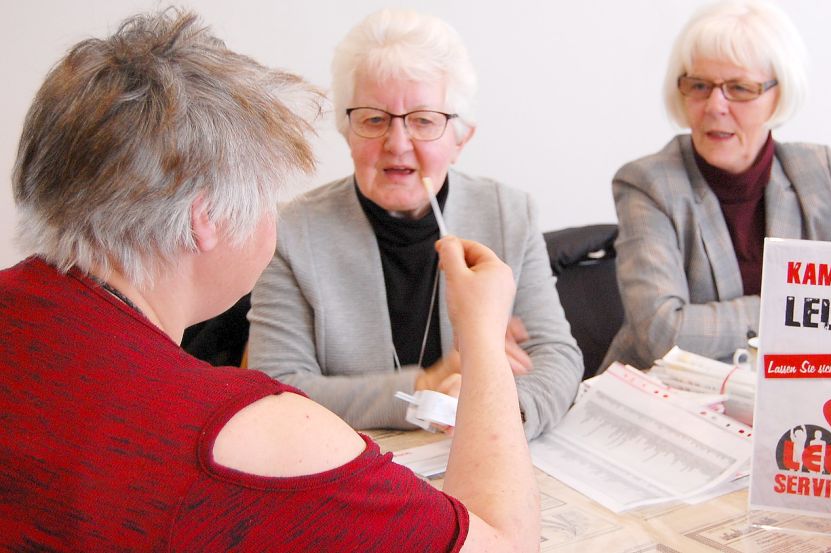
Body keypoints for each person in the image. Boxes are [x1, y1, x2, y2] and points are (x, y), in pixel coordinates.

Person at [0, 9, 539, 551]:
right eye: (266, 192)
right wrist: (483, 338)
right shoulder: (256, 440)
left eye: (423, 120)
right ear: (205, 217)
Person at [247, 8, 582, 438]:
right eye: (374, 119)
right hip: (351, 468)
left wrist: (499, 408)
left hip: (478, 450)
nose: (398, 144)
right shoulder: (291, 232)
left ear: (460, 140)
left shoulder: (509, 214)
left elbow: (557, 357)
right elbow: (277, 389)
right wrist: (425, 386)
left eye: (424, 121)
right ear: (347, 132)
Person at [602, 0, 831, 369]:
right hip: (666, 397)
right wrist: (796, 306)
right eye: (700, 85)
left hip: (781, 396)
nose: (715, 106)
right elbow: (663, 333)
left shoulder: (818, 173)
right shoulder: (647, 184)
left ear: (779, 94)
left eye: (739, 88)